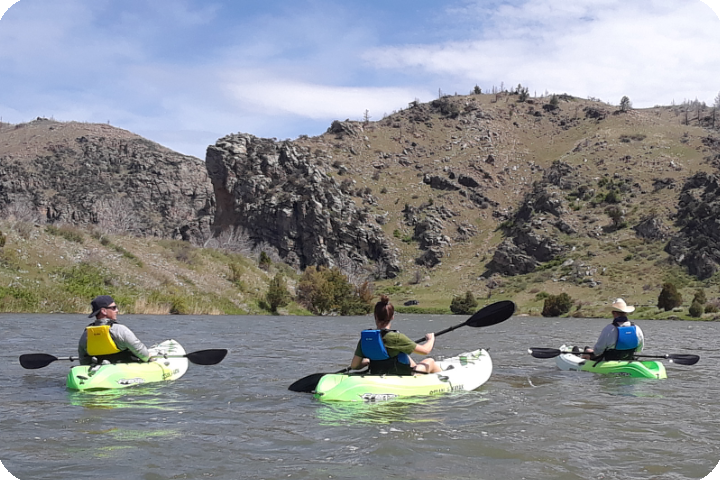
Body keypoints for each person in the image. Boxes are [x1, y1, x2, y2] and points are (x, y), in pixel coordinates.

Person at [349, 295, 441, 374]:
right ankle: (444, 377)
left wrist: (367, 362)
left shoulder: (366, 339)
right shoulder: (397, 338)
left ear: (375, 316)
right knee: (430, 361)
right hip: (400, 378)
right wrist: (430, 339)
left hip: (378, 374)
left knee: (404, 354)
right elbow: (425, 350)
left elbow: (354, 365)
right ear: (392, 316)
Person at [78, 295, 150, 365]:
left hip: (100, 370)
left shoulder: (86, 334)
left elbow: (84, 362)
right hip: (124, 371)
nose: (117, 310)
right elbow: (145, 355)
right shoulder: (120, 330)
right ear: (104, 311)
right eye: (114, 308)